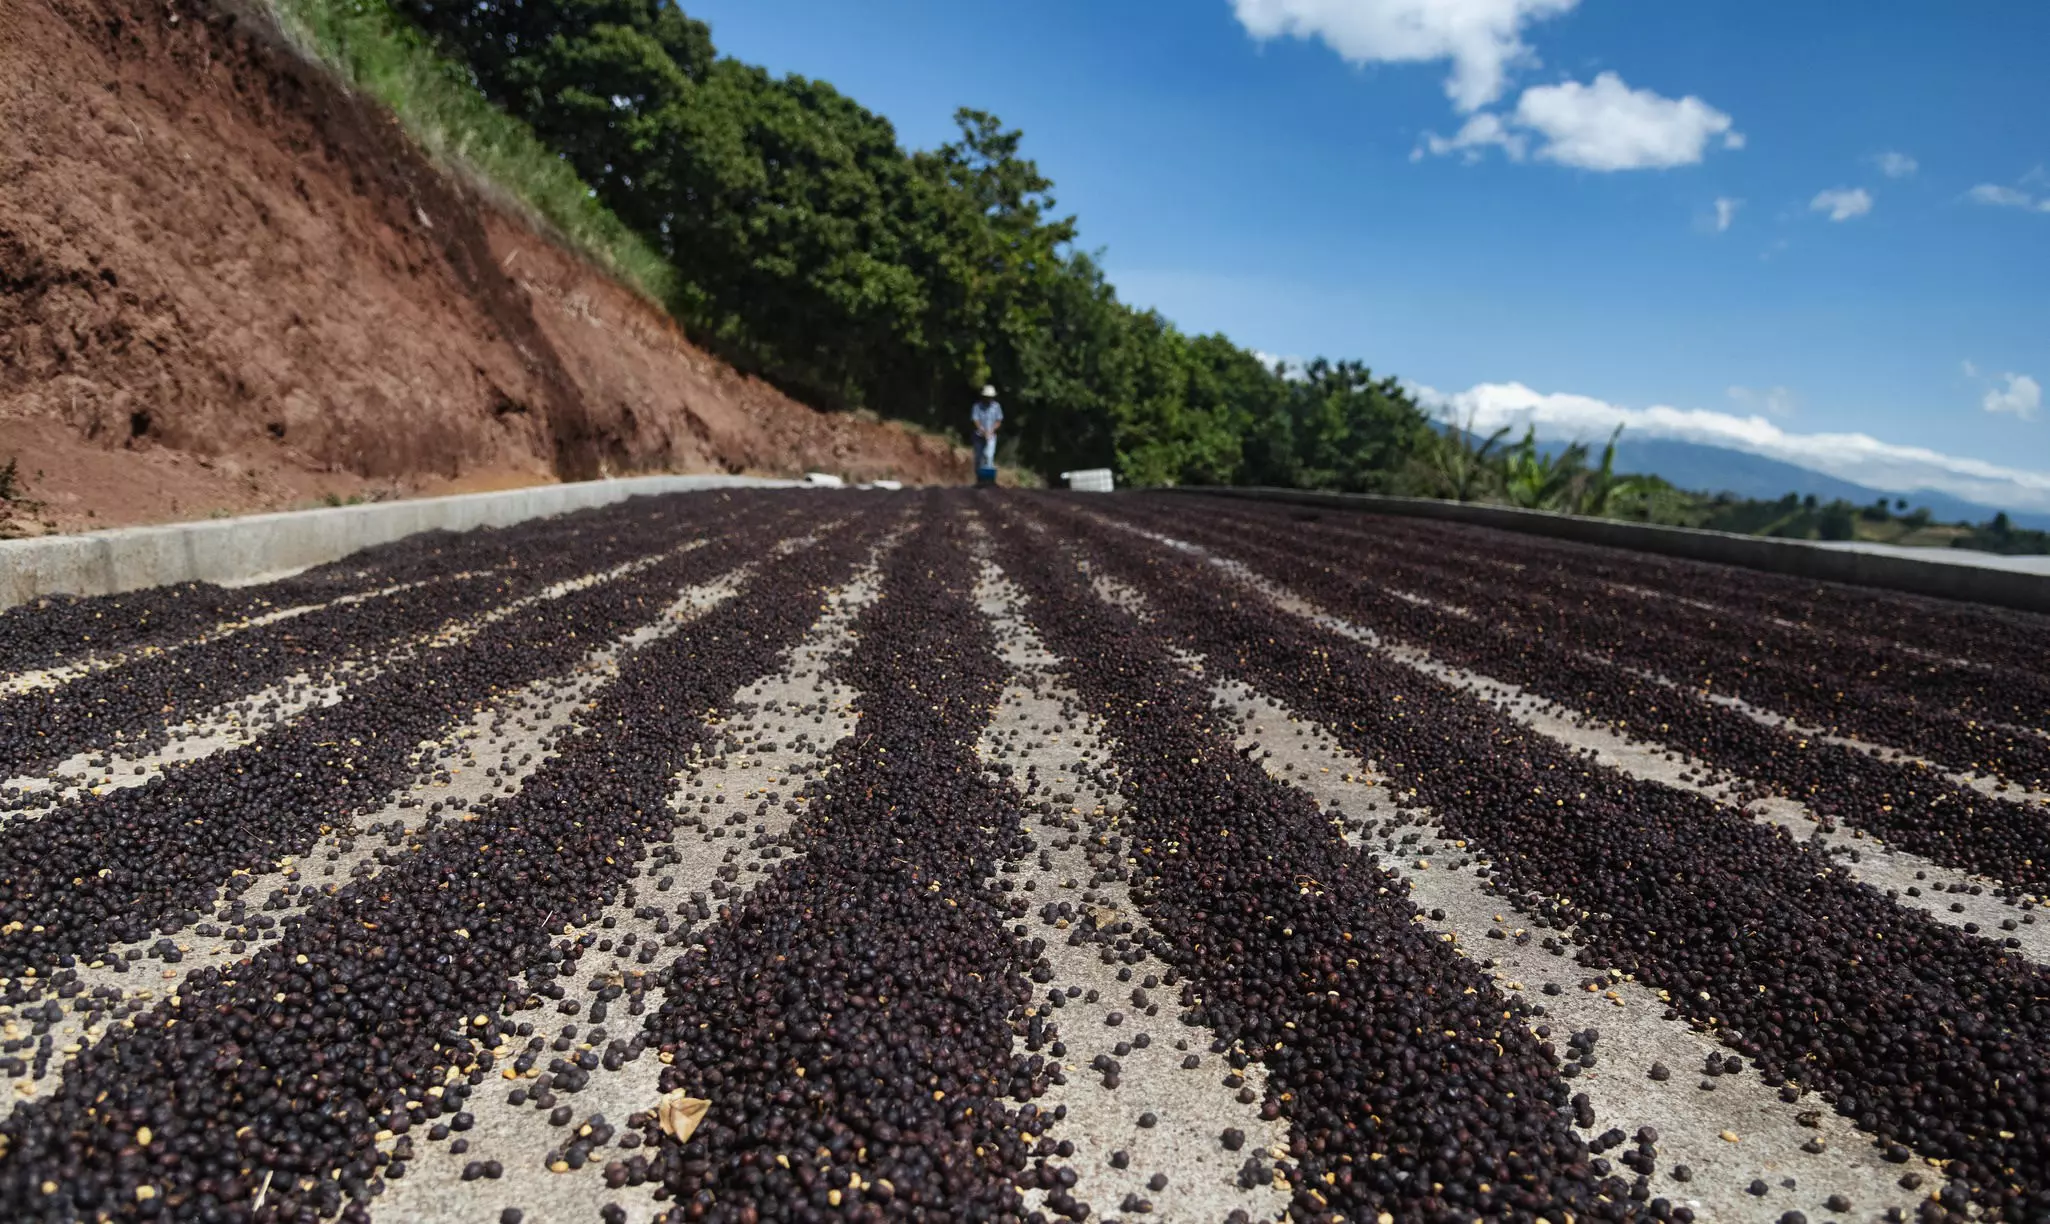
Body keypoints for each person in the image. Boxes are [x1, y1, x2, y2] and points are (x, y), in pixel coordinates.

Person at [970, 384, 1002, 486]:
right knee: (978, 458)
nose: (988, 399)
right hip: (979, 436)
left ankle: (988, 480)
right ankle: (979, 479)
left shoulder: (996, 407)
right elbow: (975, 420)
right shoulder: (977, 407)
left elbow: (998, 420)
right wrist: (982, 430)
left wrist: (992, 430)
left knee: (989, 456)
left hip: (991, 436)